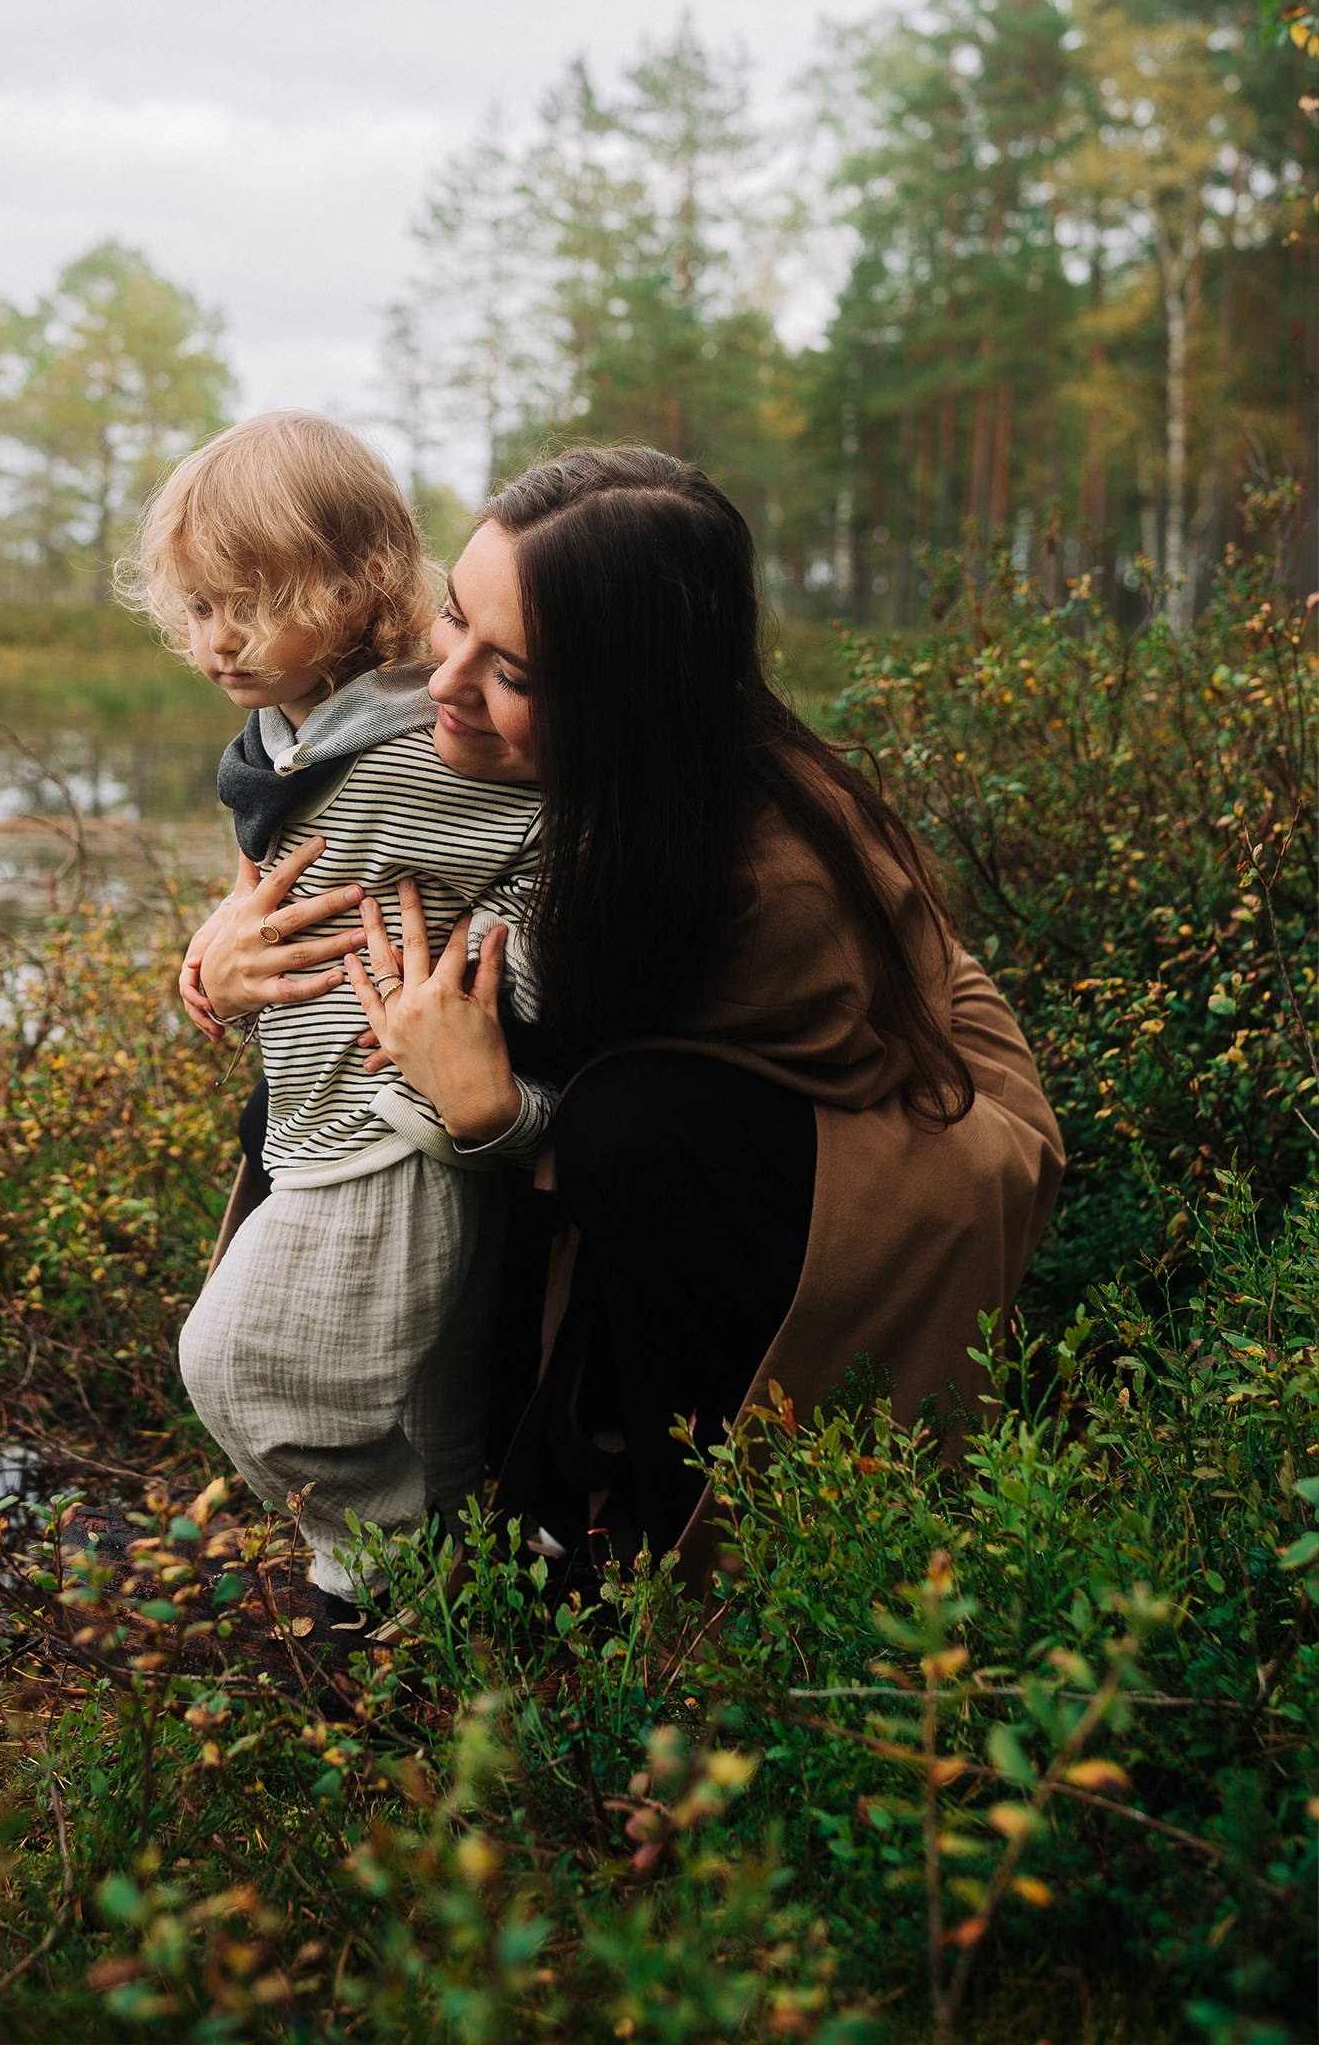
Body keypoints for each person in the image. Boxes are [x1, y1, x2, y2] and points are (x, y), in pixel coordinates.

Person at [340, 447, 1065, 1580]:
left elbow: (630, 1110)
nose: (446, 683)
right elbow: (326, 837)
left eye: (515, 672)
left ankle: (681, 1530)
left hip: (906, 1125)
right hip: (697, 1083)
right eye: (451, 619)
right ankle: (452, 1492)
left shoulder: (762, 886)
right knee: (364, 1080)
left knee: (628, 1133)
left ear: (630, 694)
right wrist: (231, 957)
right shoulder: (561, 750)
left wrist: (493, 1113)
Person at [130, 411, 550, 1633]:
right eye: (198, 607)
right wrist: (215, 959)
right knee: (431, 1402)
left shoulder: (431, 740)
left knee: (244, 1365)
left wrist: (481, 974)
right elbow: (310, 874)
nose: (218, 639)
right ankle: (443, 1623)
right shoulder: (295, 732)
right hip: (318, 1111)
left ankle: (385, 1565)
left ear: (358, 580)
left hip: (394, 1118)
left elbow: (563, 851)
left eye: (253, 602)